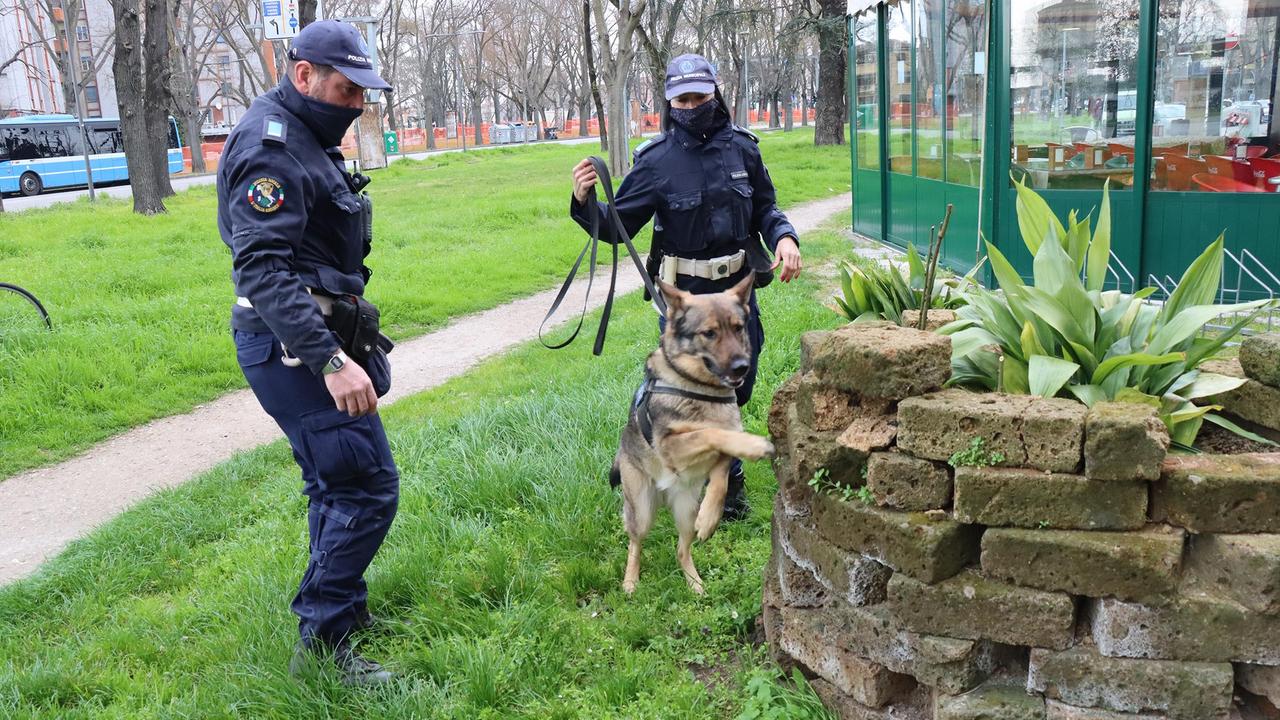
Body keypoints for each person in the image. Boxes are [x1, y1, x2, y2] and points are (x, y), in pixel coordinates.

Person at [215, 20, 398, 685]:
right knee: (366, 487)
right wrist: (330, 360)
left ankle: (343, 613)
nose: (354, 106)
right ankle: (323, 647)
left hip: (306, 337)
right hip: (295, 349)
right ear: (303, 76)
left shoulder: (306, 137)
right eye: (346, 91)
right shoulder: (273, 148)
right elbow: (262, 271)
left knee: (335, 481)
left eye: (361, 95)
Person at [568, 53, 802, 520]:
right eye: (683, 99)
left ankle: (683, 453)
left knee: (739, 379)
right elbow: (618, 229)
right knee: (696, 390)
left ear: (715, 91)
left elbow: (766, 208)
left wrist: (786, 237)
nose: (692, 105)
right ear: (671, 102)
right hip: (686, 301)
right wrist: (583, 200)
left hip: (737, 297)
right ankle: (713, 480)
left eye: (699, 95)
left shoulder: (743, 149)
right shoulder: (656, 161)